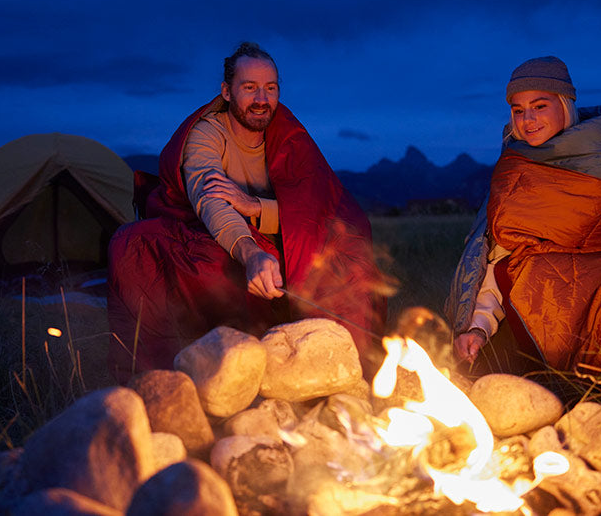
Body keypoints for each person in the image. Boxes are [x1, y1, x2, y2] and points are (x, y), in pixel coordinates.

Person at [107, 42, 390, 383]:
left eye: (271, 89)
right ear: (227, 92)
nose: (261, 99)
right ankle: (162, 381)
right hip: (235, 243)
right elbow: (210, 202)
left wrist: (255, 206)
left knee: (346, 265)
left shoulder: (290, 138)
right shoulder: (207, 135)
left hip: (290, 244)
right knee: (135, 243)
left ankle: (348, 380)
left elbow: (317, 209)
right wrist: (251, 250)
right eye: (250, 88)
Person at [446, 56, 601, 373]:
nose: (528, 120)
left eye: (540, 106)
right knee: (516, 267)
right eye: (518, 110)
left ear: (564, 104)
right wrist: (478, 324)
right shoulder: (518, 162)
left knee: (528, 270)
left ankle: (557, 380)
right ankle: (509, 367)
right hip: (535, 274)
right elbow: (501, 245)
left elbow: (599, 216)